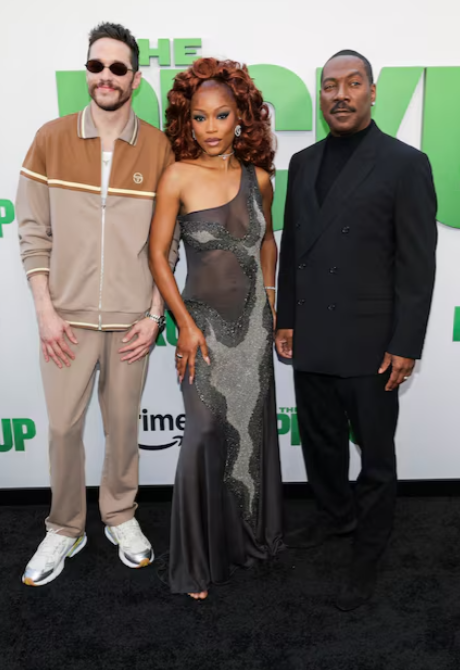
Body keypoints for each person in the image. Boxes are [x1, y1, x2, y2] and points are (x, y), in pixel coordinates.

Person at [15, 22, 178, 586]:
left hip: (133, 320)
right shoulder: (51, 138)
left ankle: (120, 515)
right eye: (96, 65)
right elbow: (33, 231)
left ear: (135, 79)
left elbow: (167, 243)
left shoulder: (158, 147)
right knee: (63, 427)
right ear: (87, 71)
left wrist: (155, 314)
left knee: (124, 426)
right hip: (66, 320)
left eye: (117, 68)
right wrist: (45, 310)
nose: (105, 76)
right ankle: (65, 526)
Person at [275, 50, 438, 611]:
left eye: (352, 84)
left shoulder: (405, 163)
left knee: (374, 453)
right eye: (330, 86)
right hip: (313, 333)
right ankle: (335, 516)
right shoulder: (302, 162)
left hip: (372, 342)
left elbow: (417, 263)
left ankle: (370, 546)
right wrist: (287, 318)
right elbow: (295, 248)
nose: (340, 95)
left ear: (372, 92)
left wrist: (406, 343)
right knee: (320, 441)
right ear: (321, 95)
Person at [148, 57, 284, 600]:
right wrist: (182, 324)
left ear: (241, 117)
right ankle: (195, 563)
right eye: (199, 117)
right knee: (204, 431)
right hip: (199, 326)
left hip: (254, 329)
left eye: (221, 115)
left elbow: (267, 241)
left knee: (248, 436)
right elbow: (158, 255)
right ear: (188, 121)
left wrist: (271, 301)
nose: (210, 128)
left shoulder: (261, 180)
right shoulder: (178, 176)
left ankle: (247, 541)